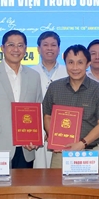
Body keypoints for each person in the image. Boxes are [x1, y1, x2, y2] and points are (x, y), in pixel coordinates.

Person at [0, 30, 43, 168]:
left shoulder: (34, 76)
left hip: (26, 148)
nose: (16, 49)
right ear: (2, 48)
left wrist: (36, 139)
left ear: (25, 49)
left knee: (25, 183)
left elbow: (38, 110)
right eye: (11, 45)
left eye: (20, 45)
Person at [42, 45, 99, 169]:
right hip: (61, 153)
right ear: (65, 63)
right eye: (70, 62)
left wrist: (82, 143)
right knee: (56, 182)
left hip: (89, 153)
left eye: (80, 63)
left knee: (90, 183)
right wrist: (53, 138)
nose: (75, 68)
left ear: (88, 64)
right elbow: (47, 116)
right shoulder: (55, 88)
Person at [31, 31, 68, 168]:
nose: (49, 48)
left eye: (53, 45)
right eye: (45, 45)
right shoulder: (29, 73)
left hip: (64, 132)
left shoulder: (69, 72)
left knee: (60, 173)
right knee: (38, 173)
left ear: (59, 49)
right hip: (36, 133)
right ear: (38, 49)